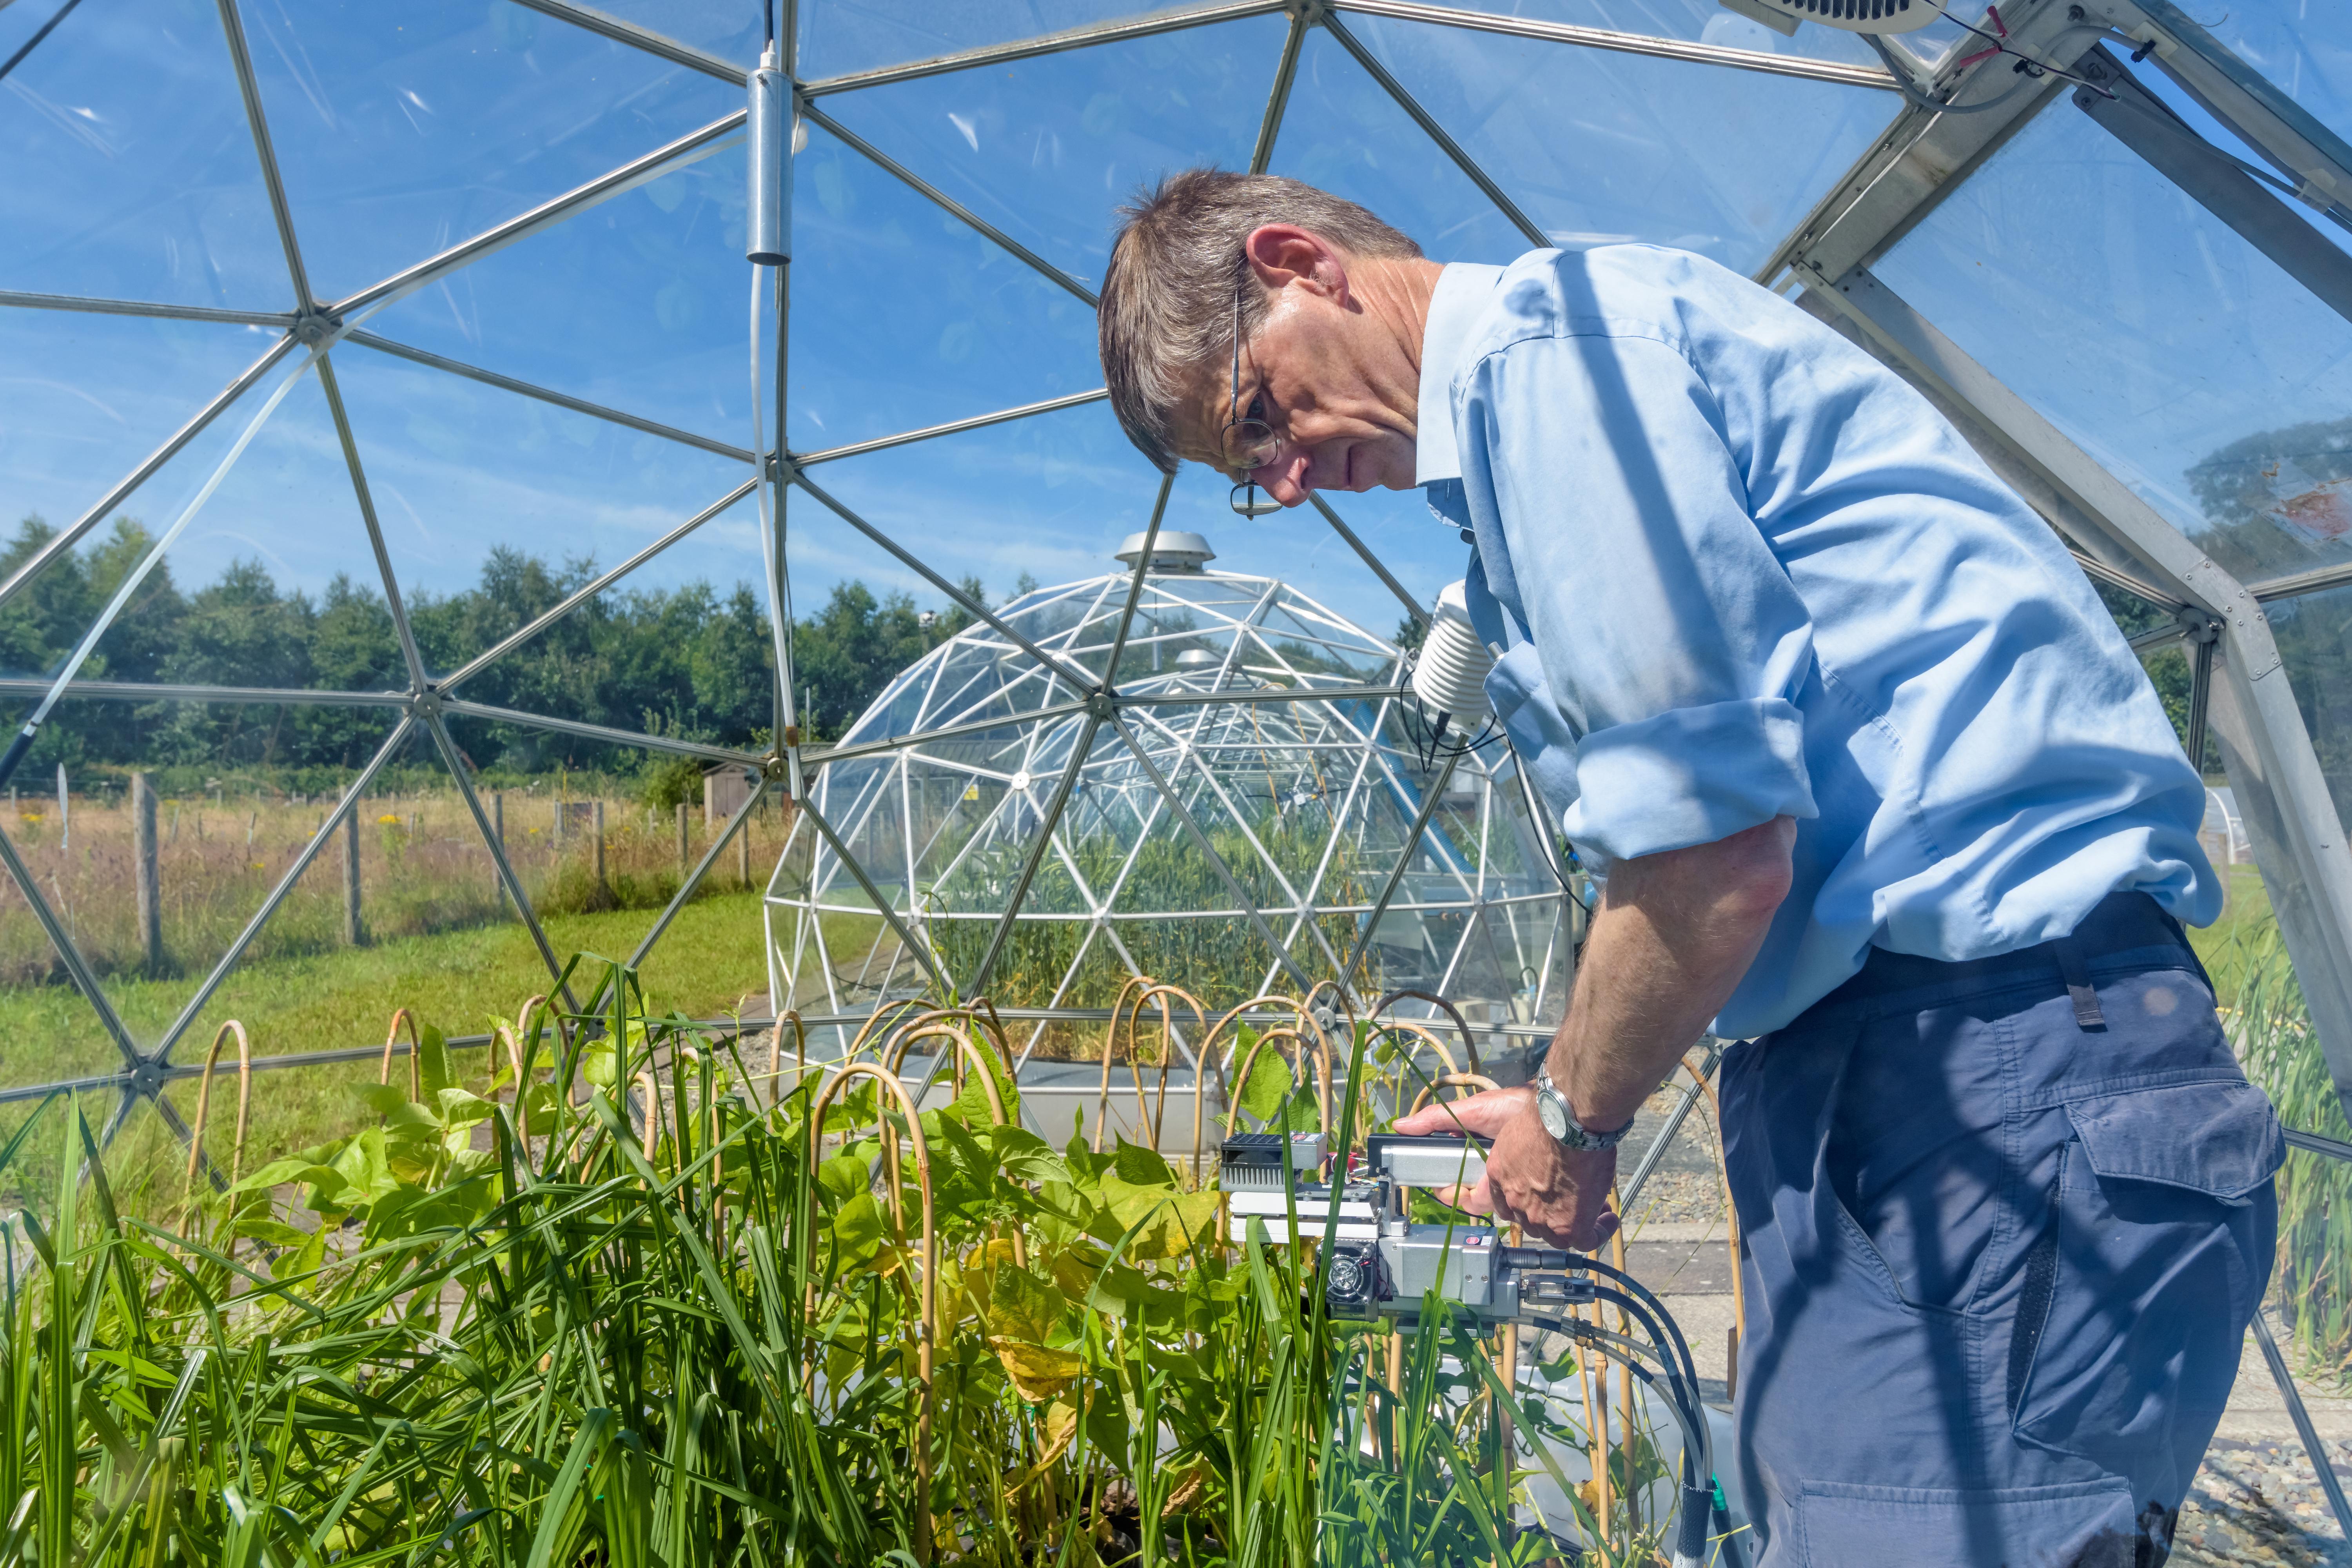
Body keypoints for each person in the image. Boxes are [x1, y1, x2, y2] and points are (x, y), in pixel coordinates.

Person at [1096, 169, 2283, 1567]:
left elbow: (1713, 852)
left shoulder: (1553, 365)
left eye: (1258, 416)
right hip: (1929, 1071)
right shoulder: (1546, 420)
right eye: (1251, 483)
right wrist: (1558, 1098)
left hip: (1987, 1068)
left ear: (1301, 263)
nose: (1286, 479)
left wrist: (1575, 1123)